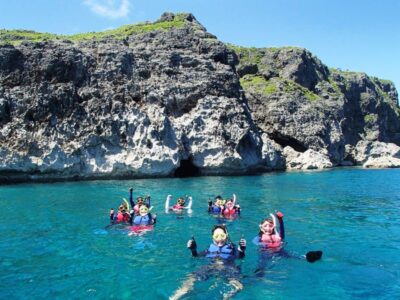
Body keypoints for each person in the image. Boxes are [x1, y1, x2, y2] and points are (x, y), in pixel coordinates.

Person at [170, 225, 246, 299]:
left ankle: (227, 297)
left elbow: (240, 257)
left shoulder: (232, 248)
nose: (219, 239)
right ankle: (176, 297)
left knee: (238, 285)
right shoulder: (209, 249)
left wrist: (242, 250)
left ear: (226, 237)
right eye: (216, 236)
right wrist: (193, 250)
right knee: (191, 278)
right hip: (211, 267)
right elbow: (196, 256)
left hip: (228, 267)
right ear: (213, 238)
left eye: (222, 236)